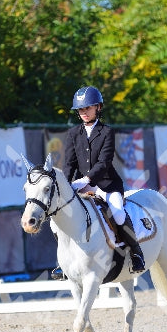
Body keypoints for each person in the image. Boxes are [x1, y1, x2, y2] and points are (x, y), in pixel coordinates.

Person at [50, 86, 145, 280]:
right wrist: (66, 187)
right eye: (81, 109)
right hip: (81, 185)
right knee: (56, 221)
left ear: (98, 107)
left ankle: (136, 253)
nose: (84, 112)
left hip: (107, 184)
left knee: (118, 213)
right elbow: (69, 164)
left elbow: (104, 162)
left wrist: (87, 179)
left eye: (88, 108)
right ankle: (62, 263)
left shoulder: (107, 132)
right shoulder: (73, 133)